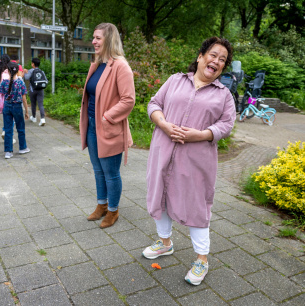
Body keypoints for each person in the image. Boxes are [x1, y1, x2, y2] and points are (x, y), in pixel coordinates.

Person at [142, 37, 236, 286]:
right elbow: (154, 103)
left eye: (222, 59)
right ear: (200, 56)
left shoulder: (224, 95)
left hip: (195, 162)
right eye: (213, 55)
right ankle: (164, 243)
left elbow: (226, 125)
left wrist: (202, 135)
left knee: (197, 206)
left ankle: (202, 259)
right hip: (162, 152)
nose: (216, 61)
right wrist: (162, 123)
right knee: (159, 195)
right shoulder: (175, 80)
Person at [79, 23, 135, 228]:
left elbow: (128, 100)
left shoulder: (121, 66)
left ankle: (113, 210)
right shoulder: (97, 64)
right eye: (93, 37)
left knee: (111, 173)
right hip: (93, 126)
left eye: (98, 38)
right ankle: (101, 205)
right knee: (98, 170)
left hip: (109, 127)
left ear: (109, 40)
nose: (93, 41)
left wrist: (107, 117)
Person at [0, 62, 30, 159]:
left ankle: (8, 152)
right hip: (17, 107)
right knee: (20, 128)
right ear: (18, 71)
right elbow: (24, 99)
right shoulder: (20, 82)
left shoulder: (4, 82)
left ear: (8, 70)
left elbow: (0, 95)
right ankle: (22, 148)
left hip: (7, 106)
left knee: (8, 129)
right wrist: (27, 111)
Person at [0, 54, 16, 144]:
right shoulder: (9, 71)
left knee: (6, 117)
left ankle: (4, 130)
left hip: (1, 98)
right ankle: (7, 134)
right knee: (12, 118)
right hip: (9, 97)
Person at [24, 58, 47, 126]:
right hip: (40, 90)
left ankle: (34, 117)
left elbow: (26, 78)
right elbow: (46, 80)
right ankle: (42, 119)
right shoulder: (41, 71)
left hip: (33, 90)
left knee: (33, 103)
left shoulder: (30, 71)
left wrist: (25, 72)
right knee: (40, 104)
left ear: (33, 64)